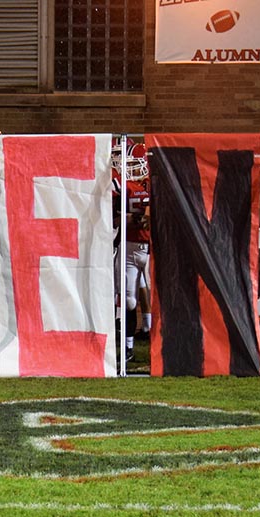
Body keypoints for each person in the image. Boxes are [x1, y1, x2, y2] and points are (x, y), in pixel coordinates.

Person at [112, 139, 151, 360]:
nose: (128, 169)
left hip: (150, 247)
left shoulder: (152, 183)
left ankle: (153, 330)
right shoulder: (121, 185)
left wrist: (134, 217)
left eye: (133, 164)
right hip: (128, 246)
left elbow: (148, 220)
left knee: (158, 295)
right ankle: (128, 348)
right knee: (128, 300)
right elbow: (114, 217)